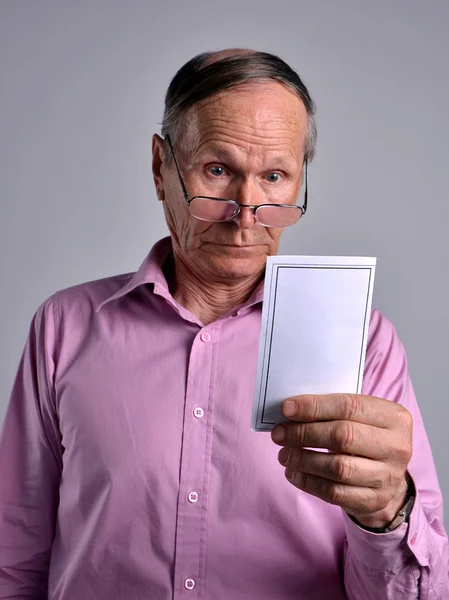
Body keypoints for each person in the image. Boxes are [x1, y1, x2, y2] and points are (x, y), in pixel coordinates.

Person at [0, 49, 447, 600]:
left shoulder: (367, 342)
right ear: (160, 167)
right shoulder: (64, 329)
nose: (247, 210)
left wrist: (386, 514)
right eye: (218, 170)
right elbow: (14, 561)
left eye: (275, 176)